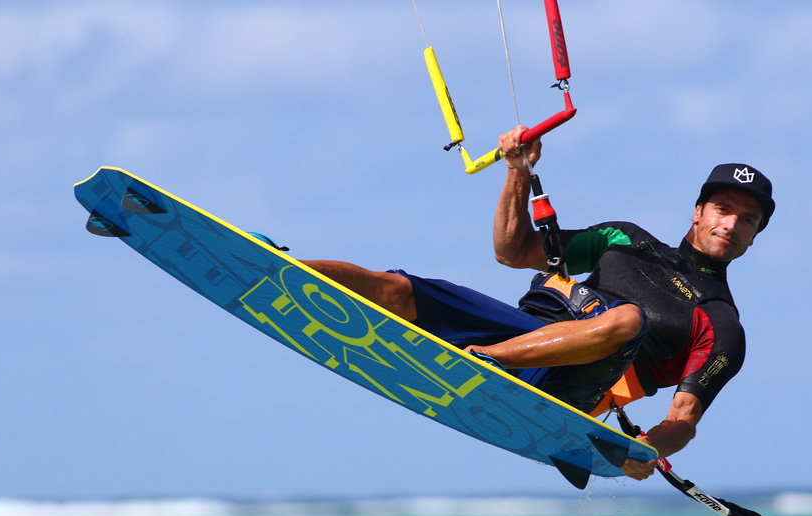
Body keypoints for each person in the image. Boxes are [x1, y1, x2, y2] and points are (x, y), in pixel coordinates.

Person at [302, 126, 774, 481]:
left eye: (747, 220)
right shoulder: (624, 239)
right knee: (396, 289)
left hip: (570, 389)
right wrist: (516, 171)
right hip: (523, 333)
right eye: (723, 209)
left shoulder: (720, 322)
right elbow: (512, 251)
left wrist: (642, 450)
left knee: (628, 319)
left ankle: (484, 362)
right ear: (698, 211)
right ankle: (280, 264)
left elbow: (683, 420)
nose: (731, 225)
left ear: (755, 236)